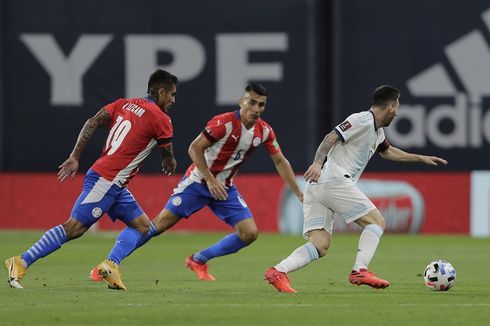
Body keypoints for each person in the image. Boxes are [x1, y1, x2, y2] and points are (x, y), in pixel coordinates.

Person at [90, 82, 303, 289]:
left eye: (261, 105)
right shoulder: (223, 123)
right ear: (242, 102)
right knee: (157, 226)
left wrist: (297, 192)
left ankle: (198, 260)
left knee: (249, 233)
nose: (256, 109)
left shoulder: (264, 132)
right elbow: (194, 149)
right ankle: (109, 263)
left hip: (224, 189)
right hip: (197, 183)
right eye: (252, 102)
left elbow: (280, 161)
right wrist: (210, 180)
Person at [4, 69, 179, 290]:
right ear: (161, 91)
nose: (173, 100)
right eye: (172, 94)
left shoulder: (123, 104)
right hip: (107, 181)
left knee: (144, 227)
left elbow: (92, 122)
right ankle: (20, 261)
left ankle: (110, 265)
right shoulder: (161, 119)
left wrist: (75, 156)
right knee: (74, 228)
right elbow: (168, 156)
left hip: (115, 184)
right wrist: (169, 162)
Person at [264, 85, 448, 293]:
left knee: (320, 244)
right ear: (390, 107)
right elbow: (330, 137)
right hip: (333, 179)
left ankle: (278, 271)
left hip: (319, 186)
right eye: (396, 107)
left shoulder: (377, 132)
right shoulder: (362, 119)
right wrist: (316, 163)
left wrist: (420, 158)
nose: (397, 113)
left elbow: (388, 152)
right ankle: (360, 269)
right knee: (377, 221)